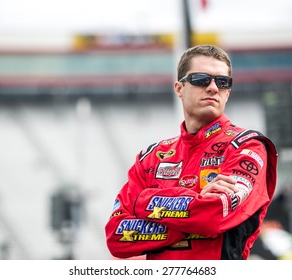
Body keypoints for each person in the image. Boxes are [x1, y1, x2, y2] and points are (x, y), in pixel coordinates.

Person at [105, 44, 278, 260]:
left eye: (222, 82)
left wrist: (143, 200)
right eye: (201, 79)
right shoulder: (150, 158)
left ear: (228, 92)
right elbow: (116, 236)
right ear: (179, 88)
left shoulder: (247, 147)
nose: (213, 87)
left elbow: (215, 214)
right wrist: (196, 210)